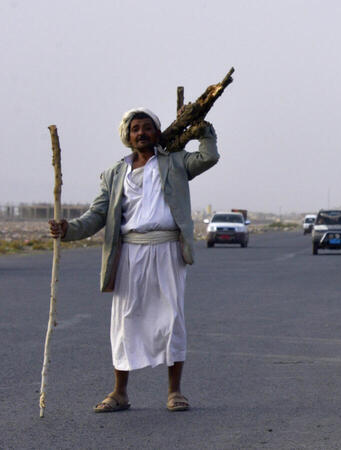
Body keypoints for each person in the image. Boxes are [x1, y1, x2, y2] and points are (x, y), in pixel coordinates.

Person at [48, 107, 219, 413]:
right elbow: (97, 215)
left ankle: (175, 392)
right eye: (135, 128)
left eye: (147, 127)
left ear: (157, 132)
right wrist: (68, 229)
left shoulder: (176, 162)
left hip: (167, 249)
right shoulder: (115, 174)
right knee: (125, 321)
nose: (141, 133)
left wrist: (202, 129)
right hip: (130, 253)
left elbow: (208, 157)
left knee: (172, 319)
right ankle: (120, 393)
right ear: (127, 136)